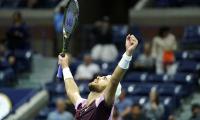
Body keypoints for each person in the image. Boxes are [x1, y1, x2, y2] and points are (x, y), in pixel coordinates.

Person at [58, 34, 138, 120]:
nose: (99, 77)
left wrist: (128, 54)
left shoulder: (102, 105)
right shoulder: (82, 106)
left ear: (108, 89)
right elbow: (72, 92)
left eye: (104, 79)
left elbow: (114, 80)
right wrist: (65, 66)